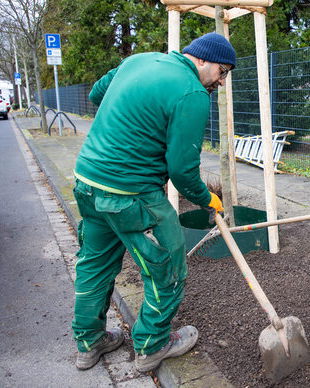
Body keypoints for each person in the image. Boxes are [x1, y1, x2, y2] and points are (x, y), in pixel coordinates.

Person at [71, 32, 235, 372]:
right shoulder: (192, 92)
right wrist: (209, 201)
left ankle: (89, 343)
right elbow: (182, 172)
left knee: (94, 263)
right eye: (222, 71)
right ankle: (153, 346)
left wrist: (133, 123)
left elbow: (96, 93)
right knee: (169, 265)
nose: (221, 81)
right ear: (201, 59)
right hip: (132, 193)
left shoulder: (139, 59)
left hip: (87, 180)